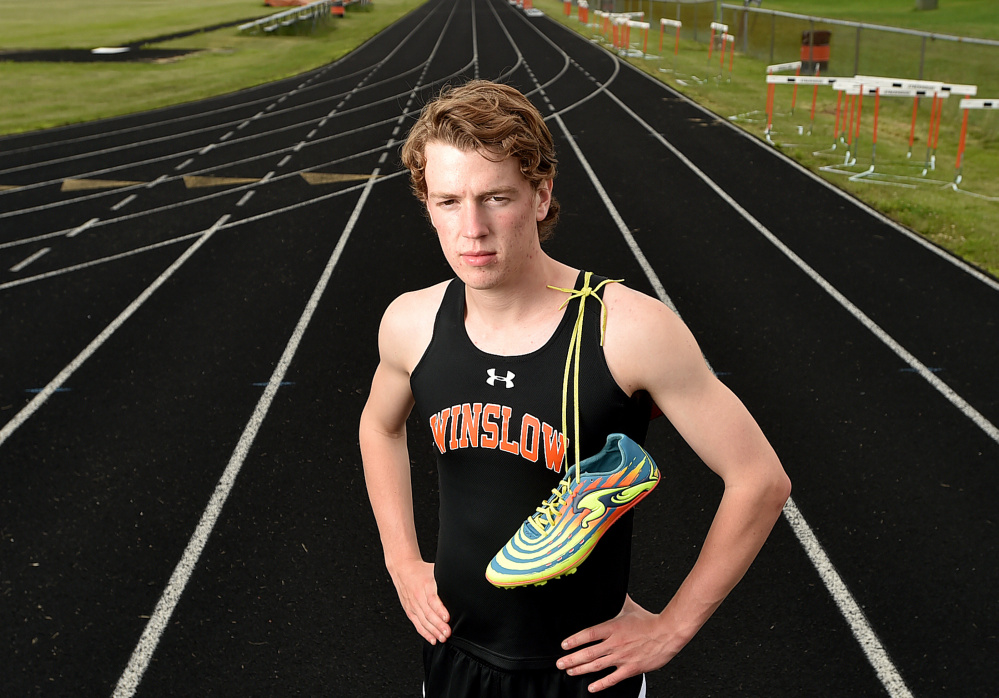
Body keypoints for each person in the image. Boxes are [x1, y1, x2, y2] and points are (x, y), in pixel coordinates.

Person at [358, 80, 791, 697]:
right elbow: (379, 426)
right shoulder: (410, 321)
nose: (471, 228)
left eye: (495, 198)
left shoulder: (630, 329)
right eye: (448, 201)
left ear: (541, 195)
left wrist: (672, 628)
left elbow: (760, 480)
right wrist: (402, 563)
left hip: (582, 676)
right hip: (455, 661)